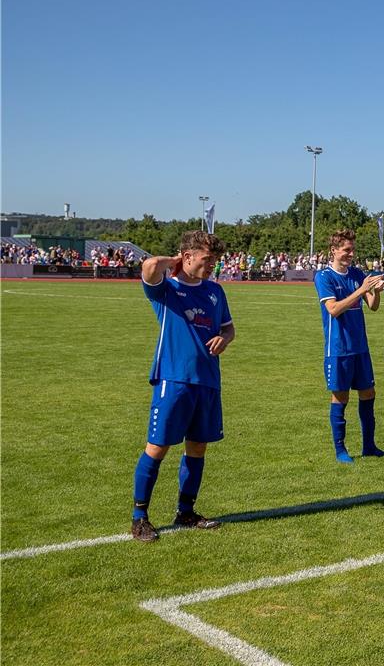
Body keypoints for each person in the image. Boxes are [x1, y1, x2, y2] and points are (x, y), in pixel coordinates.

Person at [130, 231, 236, 542]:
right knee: (158, 447)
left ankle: (186, 511)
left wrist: (224, 339)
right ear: (187, 257)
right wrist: (174, 261)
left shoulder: (215, 292)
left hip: (207, 381)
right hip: (174, 380)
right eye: (206, 259)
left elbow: (229, 328)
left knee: (198, 447)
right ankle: (139, 517)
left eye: (214, 260)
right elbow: (149, 267)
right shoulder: (167, 290)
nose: (211, 265)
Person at [315, 230, 384, 463]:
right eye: (346, 250)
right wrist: (360, 289)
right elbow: (334, 309)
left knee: (368, 393)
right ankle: (341, 450)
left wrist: (375, 292)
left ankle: (369, 446)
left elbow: (373, 306)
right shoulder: (324, 277)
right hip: (338, 349)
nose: (350, 254)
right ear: (334, 251)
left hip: (360, 346)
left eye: (352, 249)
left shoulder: (357, 273)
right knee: (340, 397)